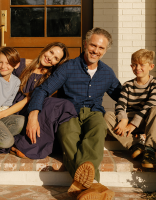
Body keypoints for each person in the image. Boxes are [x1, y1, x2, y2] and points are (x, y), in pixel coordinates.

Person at [26, 27, 121, 200]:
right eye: (93, 45)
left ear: (105, 50)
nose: (96, 51)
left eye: (101, 48)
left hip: (94, 113)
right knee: (68, 135)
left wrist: (131, 115)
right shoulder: (68, 68)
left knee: (99, 129)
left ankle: (82, 185)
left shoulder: (107, 73)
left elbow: (123, 97)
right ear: (85, 44)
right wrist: (33, 115)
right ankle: (93, 185)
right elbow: (42, 90)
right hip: (68, 111)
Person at [0, 42, 76, 159]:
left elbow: (27, 100)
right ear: (46, 49)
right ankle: (11, 143)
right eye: (51, 52)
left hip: (25, 110)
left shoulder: (50, 77)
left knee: (58, 105)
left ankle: (26, 145)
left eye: (56, 58)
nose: (50, 58)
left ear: (57, 63)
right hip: (7, 107)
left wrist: (0, 115)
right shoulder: (21, 64)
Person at [104, 49, 156, 169]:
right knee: (107, 116)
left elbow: (151, 103)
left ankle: (149, 150)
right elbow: (120, 104)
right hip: (128, 126)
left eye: (142, 65)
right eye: (134, 64)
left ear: (151, 66)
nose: (137, 68)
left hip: (148, 123)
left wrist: (133, 124)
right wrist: (123, 120)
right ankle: (135, 146)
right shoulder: (127, 85)